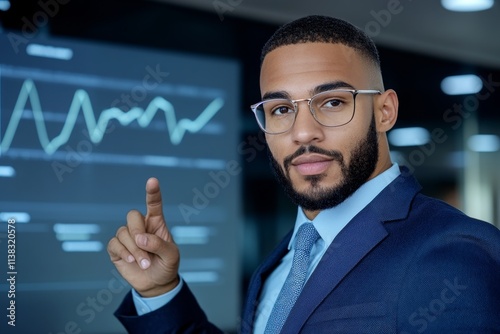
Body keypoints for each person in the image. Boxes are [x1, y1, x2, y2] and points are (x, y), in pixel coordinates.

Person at [107, 15, 500, 333]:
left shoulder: (453, 252)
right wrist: (160, 290)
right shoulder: (285, 260)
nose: (302, 132)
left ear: (384, 111)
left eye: (331, 102)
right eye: (280, 109)